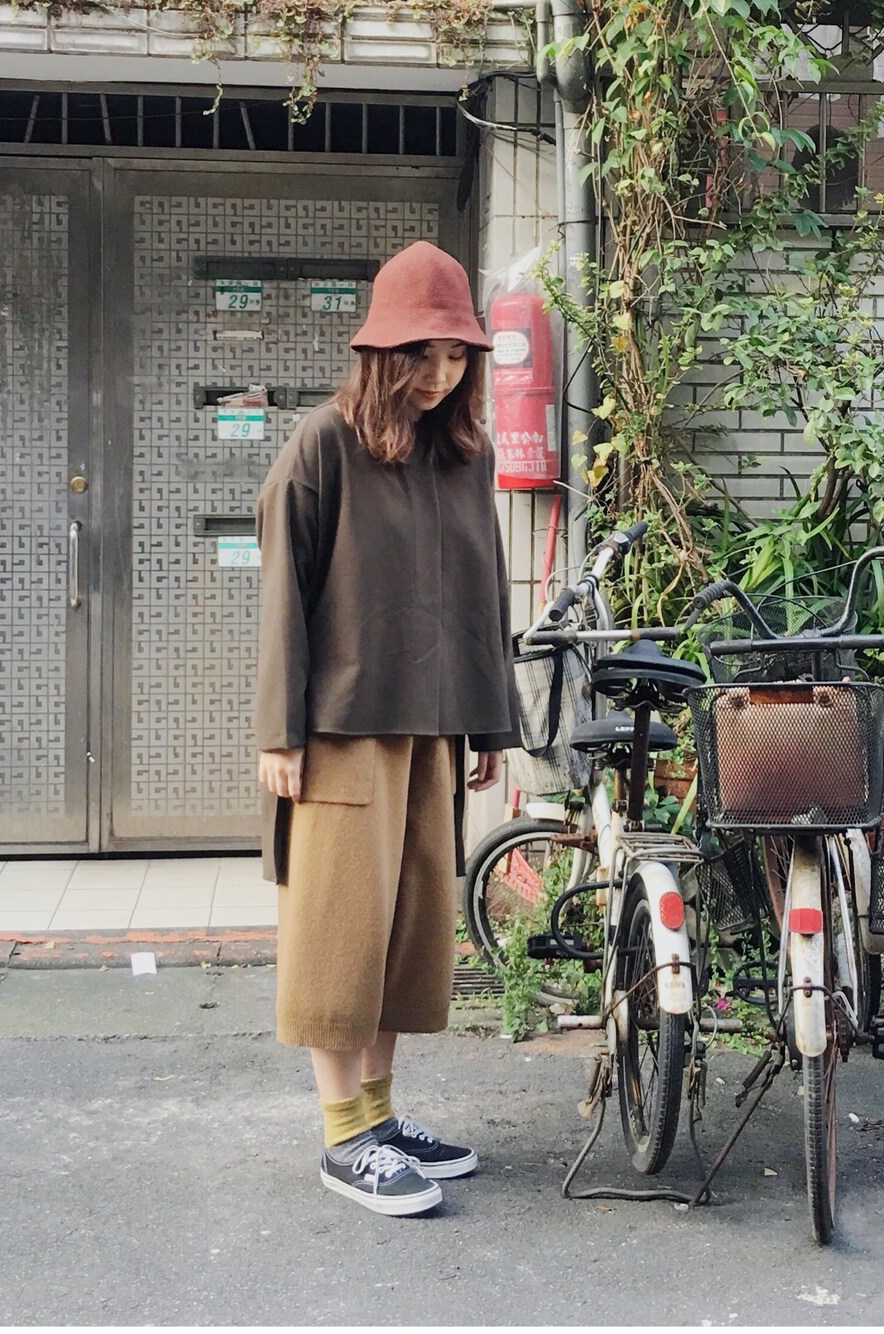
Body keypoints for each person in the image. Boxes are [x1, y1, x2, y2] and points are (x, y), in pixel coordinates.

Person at [255, 240, 519, 1217]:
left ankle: (379, 1118)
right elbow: (283, 592)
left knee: (406, 934)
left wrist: (488, 722)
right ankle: (343, 1139)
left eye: (456, 356)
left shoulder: (462, 455)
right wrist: (278, 732)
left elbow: (483, 593)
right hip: (341, 730)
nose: (440, 374)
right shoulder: (323, 444)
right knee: (339, 934)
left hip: (431, 731)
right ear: (381, 351)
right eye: (423, 354)